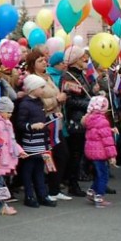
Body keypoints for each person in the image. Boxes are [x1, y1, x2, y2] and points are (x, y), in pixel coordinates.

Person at [25, 50, 68, 200]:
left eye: (44, 60)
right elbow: (40, 102)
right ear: (33, 64)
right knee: (54, 155)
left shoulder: (47, 76)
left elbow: (55, 93)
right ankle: (49, 189)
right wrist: (57, 100)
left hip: (56, 121)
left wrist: (61, 98)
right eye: (40, 61)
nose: (44, 62)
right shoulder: (33, 80)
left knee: (61, 155)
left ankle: (54, 188)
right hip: (45, 122)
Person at [14, 74, 56, 209]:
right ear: (33, 88)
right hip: (31, 141)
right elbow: (20, 123)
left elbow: (43, 119)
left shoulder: (39, 102)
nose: (43, 90)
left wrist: (53, 116)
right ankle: (29, 195)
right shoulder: (25, 104)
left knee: (39, 169)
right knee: (28, 169)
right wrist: (31, 126)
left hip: (41, 140)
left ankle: (42, 194)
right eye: (41, 87)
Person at [60, 46, 94, 197]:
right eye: (81, 57)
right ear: (75, 60)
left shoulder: (80, 74)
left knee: (80, 152)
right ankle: (72, 183)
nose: (85, 59)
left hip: (84, 117)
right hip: (76, 119)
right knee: (75, 152)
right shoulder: (68, 77)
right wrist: (90, 104)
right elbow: (70, 100)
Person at [82, 96, 117, 208]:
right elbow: (107, 140)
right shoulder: (103, 121)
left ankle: (92, 191)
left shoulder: (90, 119)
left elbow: (96, 132)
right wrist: (112, 156)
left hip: (92, 151)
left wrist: (109, 130)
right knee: (103, 175)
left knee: (99, 173)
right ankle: (99, 196)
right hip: (100, 152)